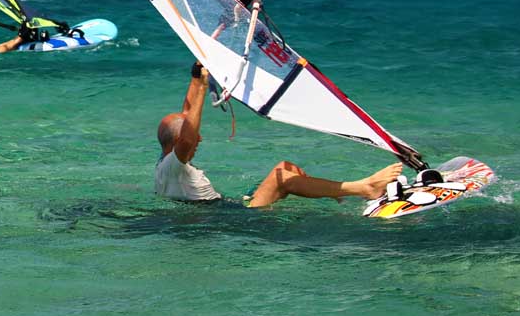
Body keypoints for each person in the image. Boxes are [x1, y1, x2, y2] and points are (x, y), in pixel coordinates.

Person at [155, 62, 403, 207]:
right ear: (177, 142)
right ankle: (364, 188)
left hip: (229, 206)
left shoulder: (165, 161)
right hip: (230, 220)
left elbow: (188, 113)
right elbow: (188, 135)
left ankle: (331, 191)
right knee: (280, 177)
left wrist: (199, 71)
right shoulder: (173, 166)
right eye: (195, 137)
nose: (200, 139)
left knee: (287, 166)